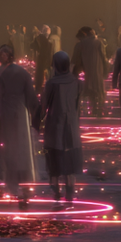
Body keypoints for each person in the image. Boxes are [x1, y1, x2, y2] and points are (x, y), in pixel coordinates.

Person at [0, 44, 39, 209]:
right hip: (17, 112)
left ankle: (17, 184)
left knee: (14, 147)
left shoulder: (2, 72)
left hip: (12, 112)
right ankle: (21, 183)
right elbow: (31, 96)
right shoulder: (19, 72)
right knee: (18, 147)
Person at [40, 51, 83, 207]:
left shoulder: (52, 83)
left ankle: (56, 191)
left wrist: (36, 121)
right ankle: (70, 191)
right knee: (70, 157)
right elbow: (78, 105)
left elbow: (44, 106)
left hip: (54, 125)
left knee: (54, 156)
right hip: (71, 125)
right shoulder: (77, 82)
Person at [72, 26, 108, 117]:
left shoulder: (81, 44)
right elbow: (103, 58)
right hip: (98, 70)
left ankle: (93, 108)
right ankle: (99, 108)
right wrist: (106, 70)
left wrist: (75, 71)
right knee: (99, 90)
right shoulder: (99, 42)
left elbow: (76, 59)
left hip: (87, 70)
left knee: (90, 89)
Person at [31, 26, 53, 94]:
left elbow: (32, 46)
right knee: (42, 76)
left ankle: (39, 88)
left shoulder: (42, 40)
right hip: (44, 61)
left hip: (42, 61)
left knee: (40, 76)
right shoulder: (47, 42)